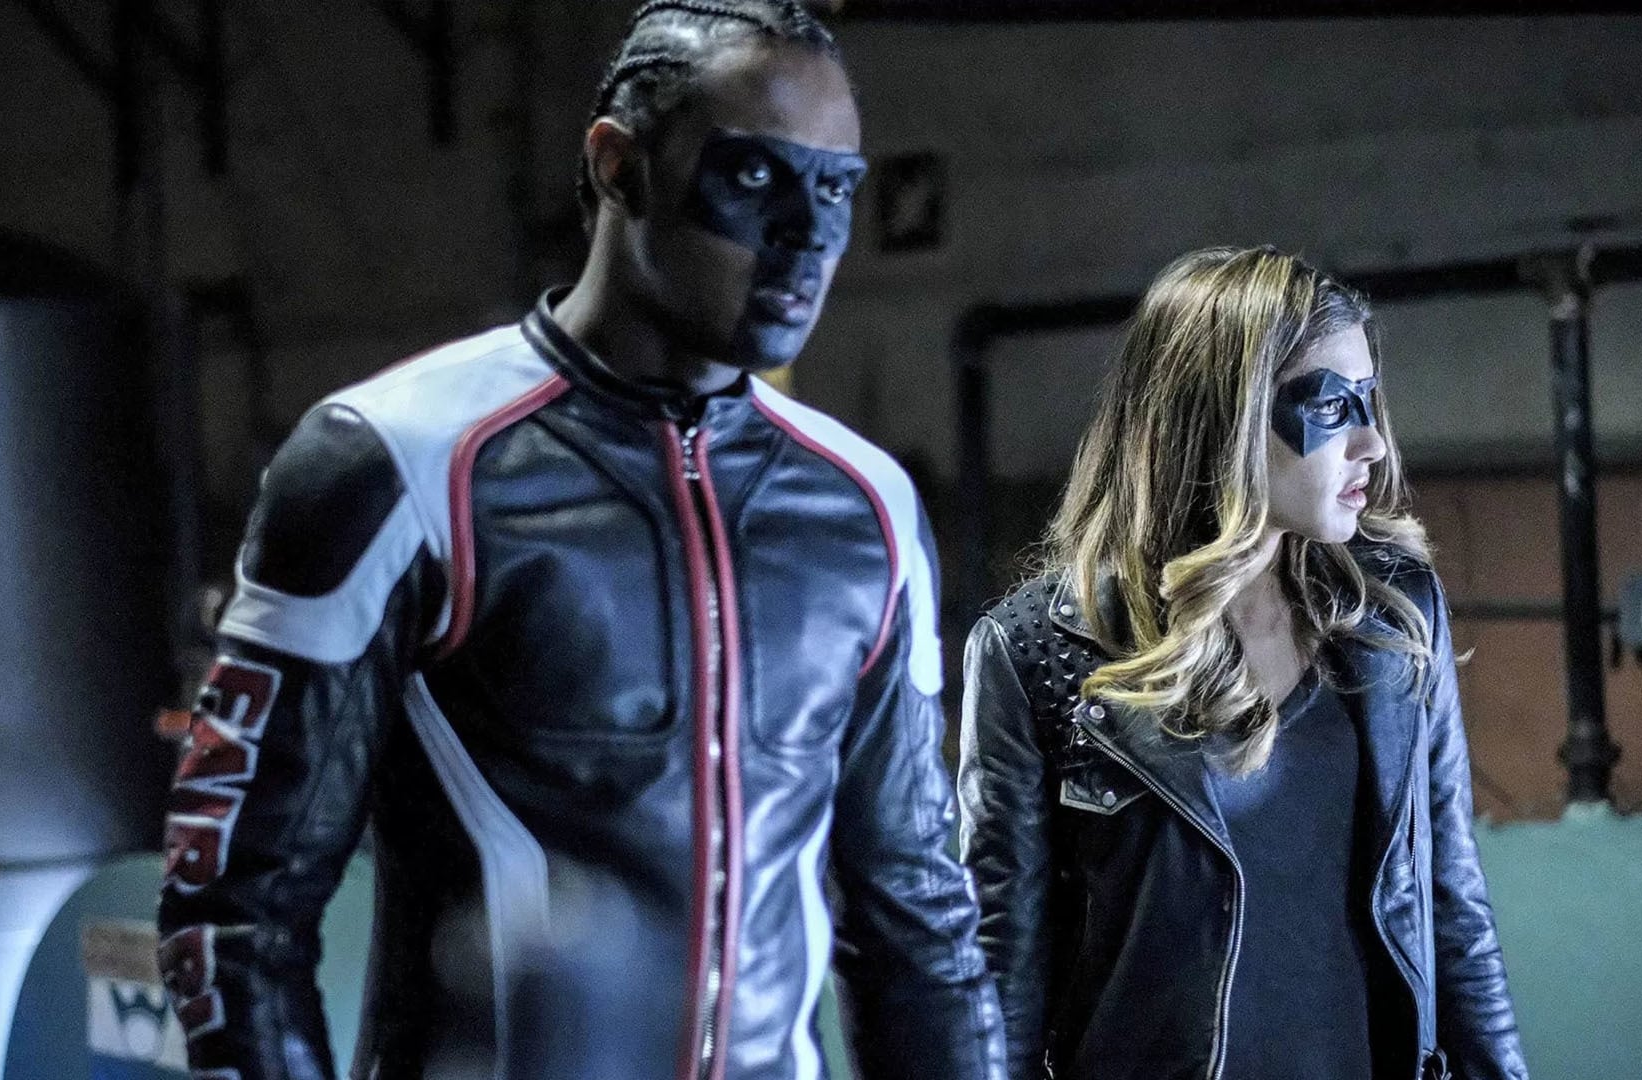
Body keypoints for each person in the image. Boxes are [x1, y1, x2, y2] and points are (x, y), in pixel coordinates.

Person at [156, 3, 1005, 1078]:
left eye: (836, 189)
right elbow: (235, 914)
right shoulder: (394, 462)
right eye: (755, 177)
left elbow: (918, 927)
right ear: (619, 166)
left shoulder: (866, 507)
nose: (808, 236)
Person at [957, 247, 1527, 1080]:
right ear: (1223, 417)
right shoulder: (1036, 652)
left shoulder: (1393, 613)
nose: (1372, 441)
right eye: (1330, 404)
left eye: (1368, 398)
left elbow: (1453, 909)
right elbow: (1001, 981)